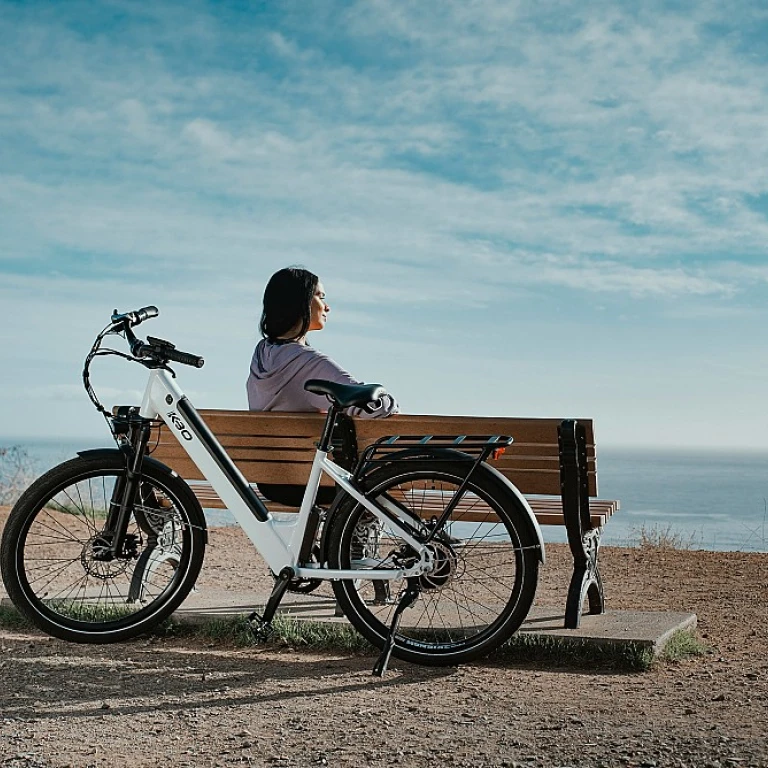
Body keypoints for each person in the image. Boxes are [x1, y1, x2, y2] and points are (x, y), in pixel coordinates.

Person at [247, 266, 399, 418]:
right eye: (320, 297)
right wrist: (387, 401)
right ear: (300, 301)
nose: (327, 307)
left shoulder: (261, 354)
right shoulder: (307, 364)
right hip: (305, 443)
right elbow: (372, 407)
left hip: (261, 442)